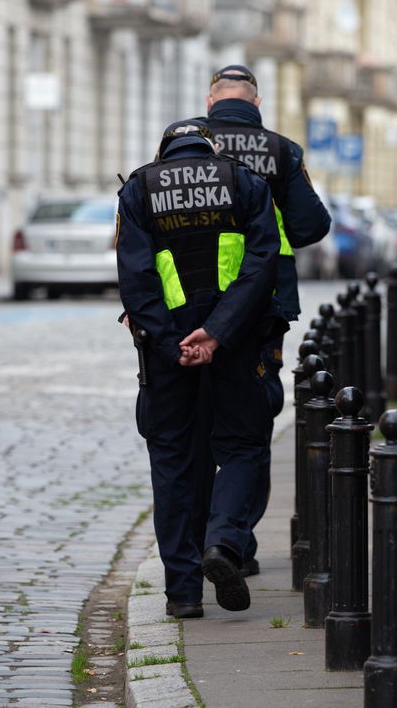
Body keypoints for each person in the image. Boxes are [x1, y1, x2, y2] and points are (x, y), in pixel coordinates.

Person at [117, 117, 284, 619]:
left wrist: (174, 346)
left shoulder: (139, 189)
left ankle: (183, 593)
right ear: (209, 150)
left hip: (167, 351)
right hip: (234, 341)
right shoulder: (244, 182)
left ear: (164, 151)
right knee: (241, 446)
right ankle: (223, 542)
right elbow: (262, 263)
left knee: (172, 461)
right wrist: (217, 333)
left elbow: (137, 280)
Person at [202, 65, 331, 576]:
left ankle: (197, 545)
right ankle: (234, 541)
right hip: (261, 307)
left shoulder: (184, 145)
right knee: (250, 424)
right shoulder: (281, 150)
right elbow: (312, 224)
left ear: (210, 102)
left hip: (187, 305)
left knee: (194, 424)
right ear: (257, 104)